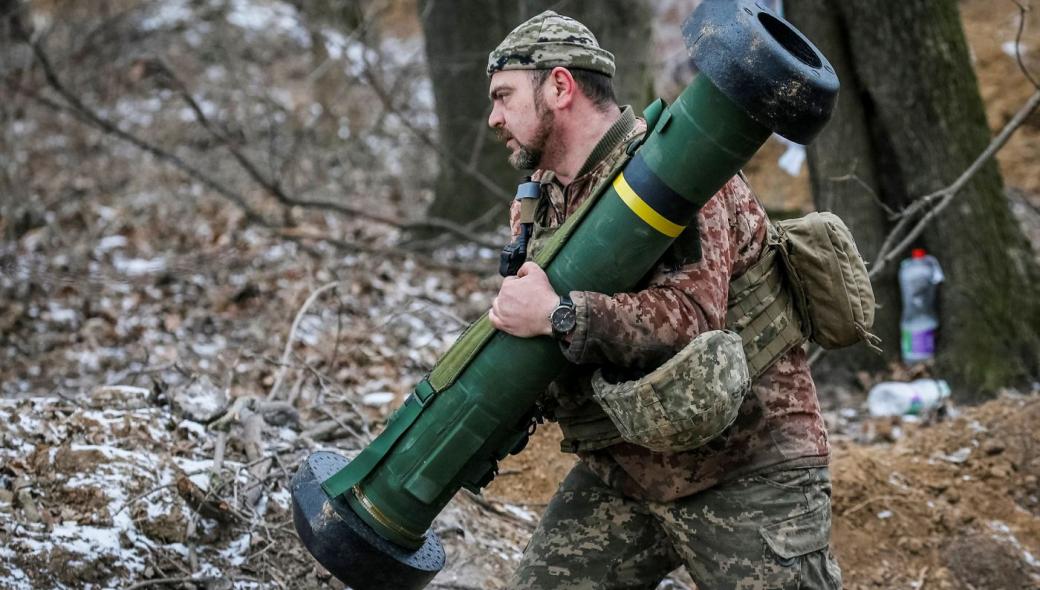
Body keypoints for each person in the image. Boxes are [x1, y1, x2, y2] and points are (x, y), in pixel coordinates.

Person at [484, 11, 842, 590]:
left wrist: (560, 315)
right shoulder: (545, 200)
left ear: (559, 86)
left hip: (747, 467)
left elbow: (691, 320)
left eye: (504, 95)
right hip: (627, 470)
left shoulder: (680, 170)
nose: (493, 117)